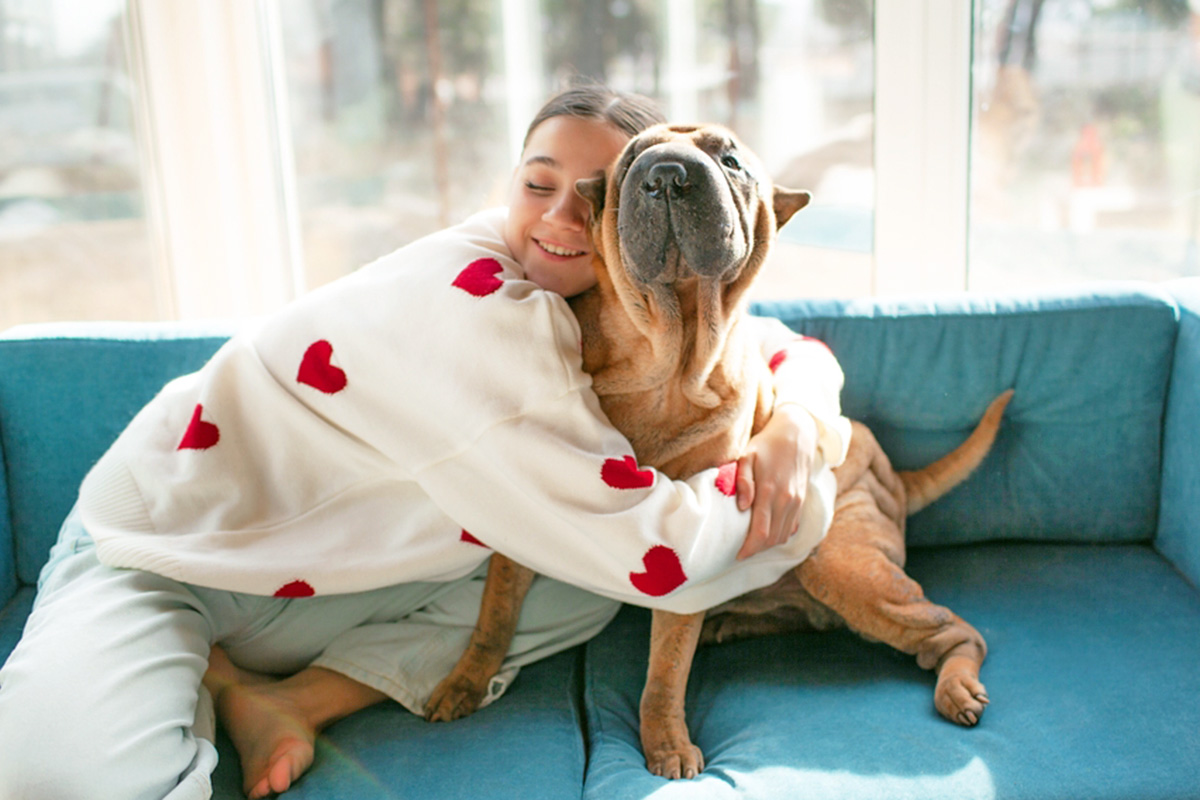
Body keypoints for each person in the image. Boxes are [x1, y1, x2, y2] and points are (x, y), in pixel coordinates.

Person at [0, 85, 850, 800]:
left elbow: (768, 341)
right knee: (56, 781)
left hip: (330, 571)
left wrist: (799, 416)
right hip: (168, 548)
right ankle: (206, 676)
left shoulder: (598, 297)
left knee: (581, 591)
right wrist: (804, 482)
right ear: (505, 184)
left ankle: (286, 700)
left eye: (593, 199)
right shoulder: (476, 308)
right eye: (537, 183)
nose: (560, 217)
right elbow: (666, 558)